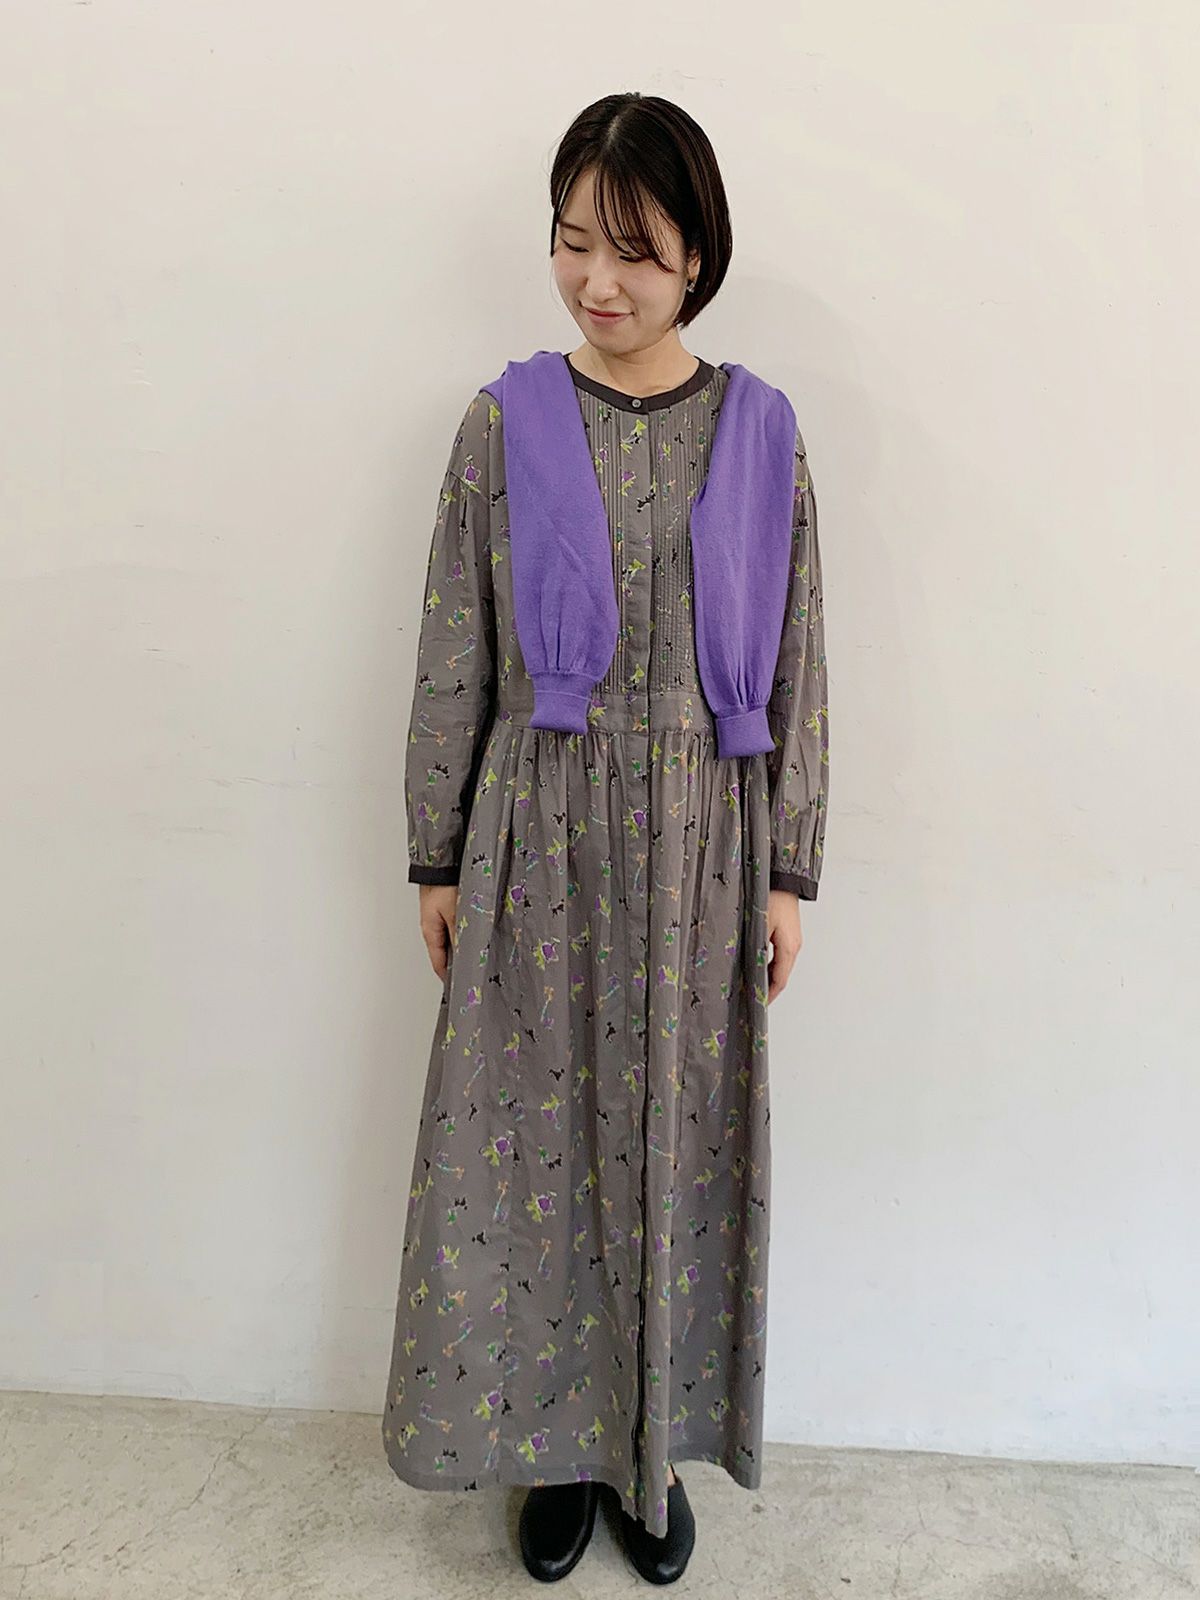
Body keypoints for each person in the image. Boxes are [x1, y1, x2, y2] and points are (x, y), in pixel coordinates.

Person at [381, 91, 829, 1586]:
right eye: (576, 241)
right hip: (538, 848)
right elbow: (454, 647)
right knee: (534, 1158)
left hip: (705, 853)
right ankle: (556, 1448)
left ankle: (653, 1447)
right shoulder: (503, 423)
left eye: (633, 248)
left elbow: (799, 659)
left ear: (697, 252)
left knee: (679, 1159)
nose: (598, 280)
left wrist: (789, 868)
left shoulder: (761, 433)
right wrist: (437, 852)